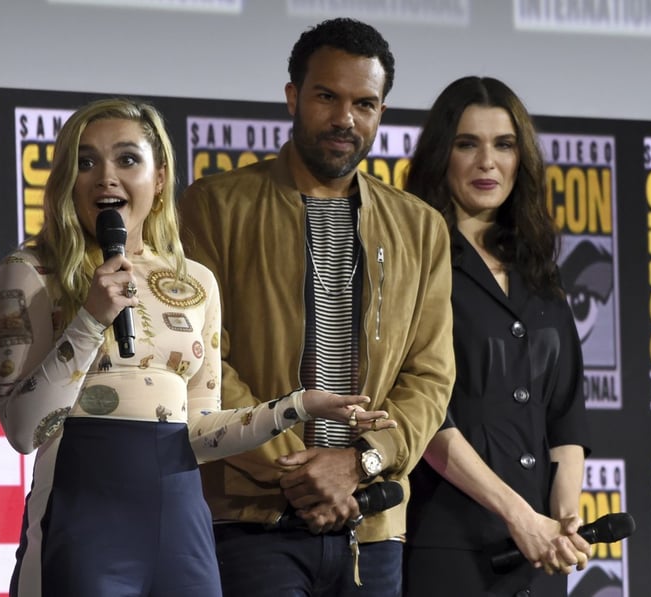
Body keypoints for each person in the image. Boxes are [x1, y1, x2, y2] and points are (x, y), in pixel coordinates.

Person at [0, 98, 393, 597]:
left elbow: (199, 432)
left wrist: (298, 406)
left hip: (182, 530)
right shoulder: (29, 271)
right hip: (81, 523)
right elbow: (25, 430)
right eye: (86, 161)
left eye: (127, 159)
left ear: (158, 179)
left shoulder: (194, 281)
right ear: (67, 178)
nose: (106, 177)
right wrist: (91, 318)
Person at [178, 18, 454, 597]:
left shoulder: (422, 229)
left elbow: (429, 376)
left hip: (371, 529)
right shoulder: (214, 208)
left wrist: (356, 465)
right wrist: (303, 471)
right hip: (250, 523)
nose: (344, 119)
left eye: (364, 103)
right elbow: (201, 364)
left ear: (382, 112)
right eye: (327, 96)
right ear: (292, 98)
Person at [402, 76, 592, 597]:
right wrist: (517, 513)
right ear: (442, 155)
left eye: (504, 145)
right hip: (448, 537)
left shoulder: (538, 272)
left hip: (540, 550)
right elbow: (423, 416)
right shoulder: (416, 263)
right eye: (468, 144)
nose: (488, 162)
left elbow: (566, 415)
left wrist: (564, 516)